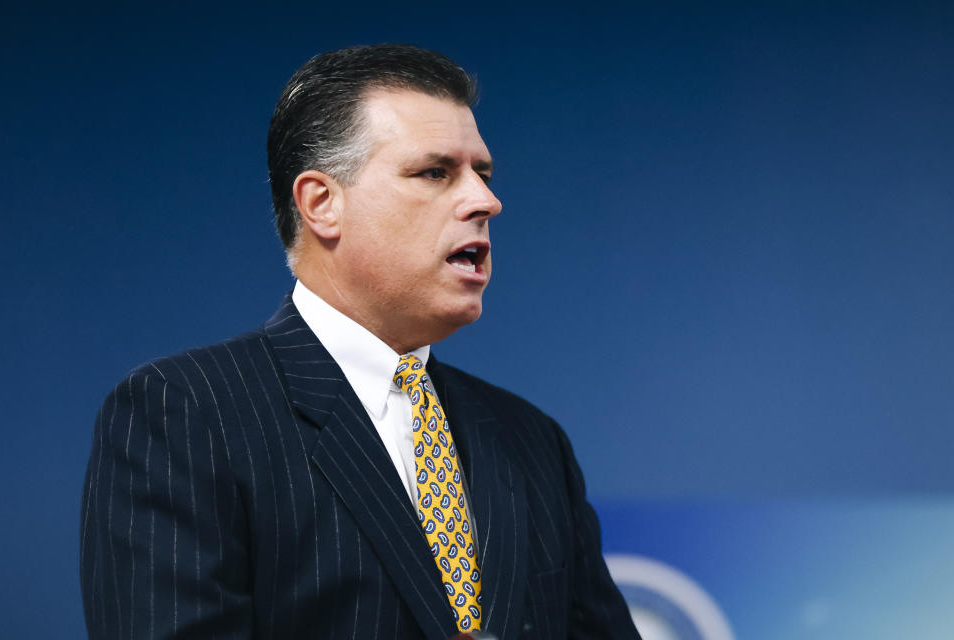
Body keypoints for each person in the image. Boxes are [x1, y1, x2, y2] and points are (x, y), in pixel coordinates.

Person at [80, 43, 640, 640]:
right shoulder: (186, 414)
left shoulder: (532, 440)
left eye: (483, 173)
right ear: (322, 203)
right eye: (435, 172)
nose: (486, 201)